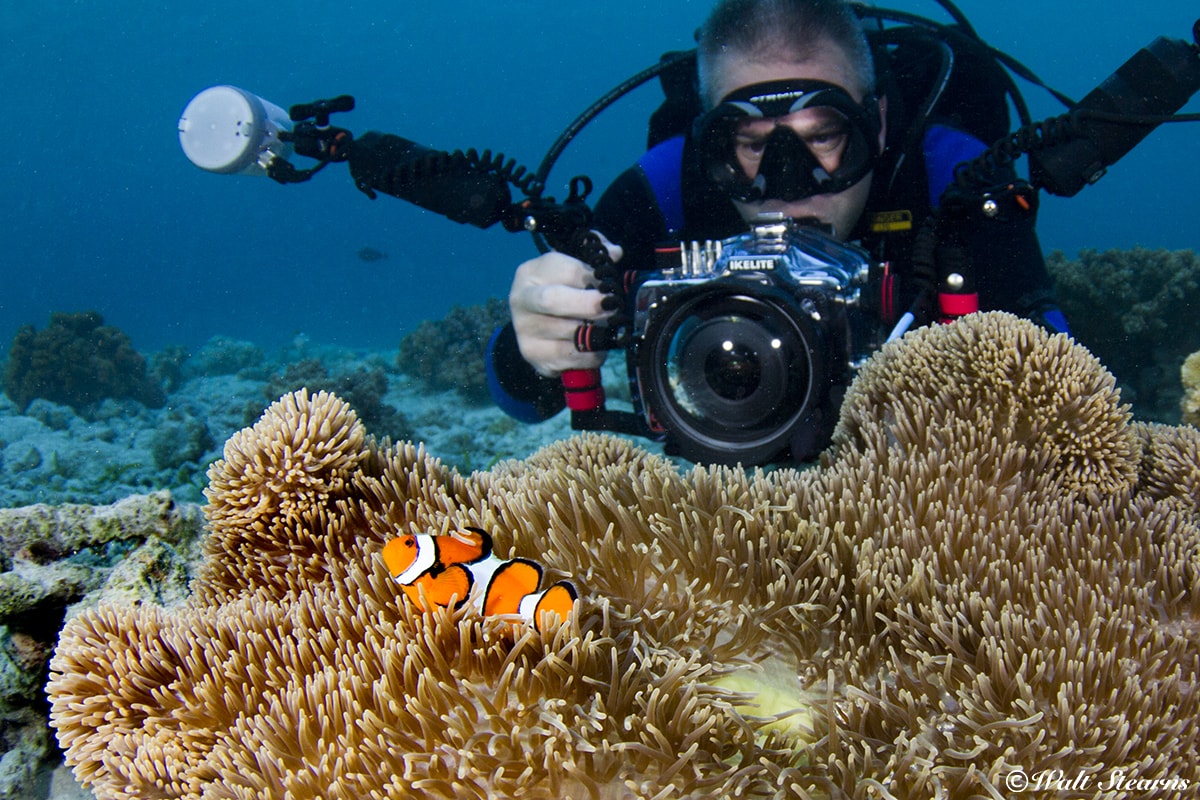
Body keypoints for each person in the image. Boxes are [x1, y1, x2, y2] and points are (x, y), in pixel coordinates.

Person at [485, 0, 1069, 455]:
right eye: (750, 145)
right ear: (708, 142)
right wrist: (535, 342)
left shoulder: (953, 179)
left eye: (823, 137)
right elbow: (520, 401)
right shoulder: (669, 184)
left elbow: (1065, 383)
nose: (790, 184)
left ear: (879, 121)